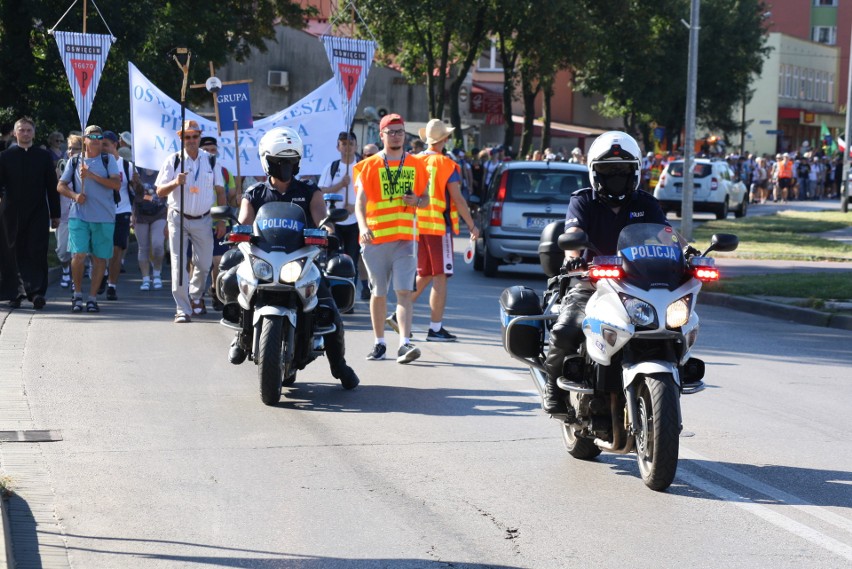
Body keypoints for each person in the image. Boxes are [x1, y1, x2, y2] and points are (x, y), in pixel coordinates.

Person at [542, 131, 668, 414]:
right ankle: (553, 389)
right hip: (592, 282)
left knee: (668, 325)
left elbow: (666, 236)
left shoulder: (645, 203)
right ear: (594, 173)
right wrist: (573, 259)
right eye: (608, 170)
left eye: (622, 170)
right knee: (566, 329)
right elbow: (573, 233)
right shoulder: (583, 201)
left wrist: (686, 254)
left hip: (636, 285)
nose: (615, 176)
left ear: (634, 172)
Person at [226, 127, 359, 389]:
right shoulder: (255, 194)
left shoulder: (309, 190)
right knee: (235, 279)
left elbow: (321, 217)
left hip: (300, 262)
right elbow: (243, 220)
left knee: (329, 309)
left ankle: (339, 365)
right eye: (279, 162)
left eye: (290, 161)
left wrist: (327, 231)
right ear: (267, 162)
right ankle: (242, 337)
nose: (285, 167)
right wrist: (237, 231)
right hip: (263, 261)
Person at [389, 119, 479, 342]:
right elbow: (457, 199)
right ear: (445, 139)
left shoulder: (414, 160)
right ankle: (435, 328)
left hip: (415, 225)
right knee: (440, 278)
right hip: (438, 226)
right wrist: (472, 225)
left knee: (426, 274)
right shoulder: (447, 164)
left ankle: (398, 314)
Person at [354, 113, 430, 364]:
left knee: (404, 292)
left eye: (400, 131)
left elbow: (426, 198)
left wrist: (417, 201)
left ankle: (405, 344)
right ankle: (379, 343)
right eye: (391, 131)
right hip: (375, 238)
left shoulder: (417, 164)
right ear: (382, 135)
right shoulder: (370, 165)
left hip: (405, 238)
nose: (396, 135)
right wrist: (363, 226)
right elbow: (360, 204)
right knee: (379, 292)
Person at [155, 120, 227, 323]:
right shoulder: (174, 160)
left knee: (204, 264)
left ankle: (195, 296)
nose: (192, 140)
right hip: (178, 217)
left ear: (199, 137)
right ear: (181, 138)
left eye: (195, 136)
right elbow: (160, 191)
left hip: (204, 219)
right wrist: (175, 182)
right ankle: (182, 308)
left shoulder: (211, 161)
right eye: (187, 137)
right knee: (178, 264)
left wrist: (221, 221)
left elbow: (221, 191)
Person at [56, 125, 120, 313]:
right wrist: (75, 196)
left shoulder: (109, 160)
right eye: (91, 135)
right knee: (78, 255)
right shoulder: (74, 160)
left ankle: (92, 298)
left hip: (104, 216)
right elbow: (60, 186)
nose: (95, 139)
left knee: (100, 258)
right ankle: (77, 295)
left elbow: (116, 184)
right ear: (84, 139)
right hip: (79, 215)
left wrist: (91, 175)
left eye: (99, 136)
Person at [0, 117, 60, 308]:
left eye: (28, 130)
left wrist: (55, 214)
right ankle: (14, 293)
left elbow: (52, 186)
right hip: (11, 213)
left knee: (36, 250)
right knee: (12, 251)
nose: (25, 133)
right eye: (21, 130)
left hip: (37, 211)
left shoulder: (43, 157)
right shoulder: (4, 157)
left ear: (34, 133)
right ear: (15, 133)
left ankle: (36, 293)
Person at [318, 131, 362, 302]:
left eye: (351, 143)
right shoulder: (332, 167)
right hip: (334, 222)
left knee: (352, 260)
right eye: (343, 144)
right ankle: (331, 298)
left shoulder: (362, 166)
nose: (347, 147)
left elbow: (369, 193)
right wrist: (339, 185)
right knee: (332, 260)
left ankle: (349, 300)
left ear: (356, 146)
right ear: (338, 147)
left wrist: (355, 206)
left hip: (354, 221)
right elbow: (321, 191)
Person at [199, 135, 236, 311]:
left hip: (219, 221)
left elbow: (230, 196)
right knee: (198, 262)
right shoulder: (193, 169)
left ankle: (215, 290)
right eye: (206, 150)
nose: (210, 153)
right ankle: (196, 297)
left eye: (213, 150)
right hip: (198, 220)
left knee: (218, 260)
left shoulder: (224, 171)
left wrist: (237, 195)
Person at [101, 130, 138, 301]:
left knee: (116, 250)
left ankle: (111, 285)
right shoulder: (97, 163)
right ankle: (102, 274)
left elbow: (137, 191)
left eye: (105, 145)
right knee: (101, 251)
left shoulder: (126, 166)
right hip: (101, 212)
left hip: (121, 211)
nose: (102, 148)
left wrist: (138, 183)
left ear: (115, 145)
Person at [133, 165, 168, 291]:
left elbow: (170, 193)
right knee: (143, 248)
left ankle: (157, 274)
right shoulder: (136, 170)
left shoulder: (162, 169)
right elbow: (130, 193)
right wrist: (132, 214)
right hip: (141, 214)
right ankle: (145, 278)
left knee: (158, 245)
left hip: (159, 213)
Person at [55, 135, 83, 289]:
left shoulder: (87, 167)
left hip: (81, 215)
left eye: (75, 148)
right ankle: (65, 269)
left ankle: (74, 278)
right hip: (64, 214)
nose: (71, 151)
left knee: (77, 250)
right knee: (62, 249)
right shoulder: (62, 166)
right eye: (70, 148)